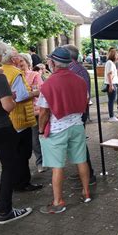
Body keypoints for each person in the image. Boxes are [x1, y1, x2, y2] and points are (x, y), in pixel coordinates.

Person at [37, 47, 91, 214]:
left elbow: (44, 112)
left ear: (53, 62)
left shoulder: (48, 84)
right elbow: (86, 100)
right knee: (81, 159)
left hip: (57, 128)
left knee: (57, 166)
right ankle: (86, 193)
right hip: (77, 125)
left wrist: (40, 130)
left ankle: (58, 201)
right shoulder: (80, 80)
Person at [0, 38, 33, 224]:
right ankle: (6, 211)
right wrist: (12, 99)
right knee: (10, 167)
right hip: (1, 128)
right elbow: (7, 106)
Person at [0, 47, 42, 192]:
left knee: (14, 153)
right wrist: (35, 92)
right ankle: (22, 183)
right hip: (20, 117)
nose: (19, 58)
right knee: (23, 153)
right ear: (13, 59)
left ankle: (15, 181)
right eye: (17, 56)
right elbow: (21, 96)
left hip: (9, 117)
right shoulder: (15, 73)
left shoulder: (1, 70)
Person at [63, 44, 97, 187]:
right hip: (76, 113)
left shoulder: (75, 71)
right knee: (77, 144)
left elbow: (81, 95)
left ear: (67, 56)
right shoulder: (75, 69)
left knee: (78, 143)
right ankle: (84, 172)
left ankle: (88, 175)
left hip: (77, 113)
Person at [18, 53, 46, 173]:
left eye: (21, 62)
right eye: (17, 63)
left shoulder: (34, 75)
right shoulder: (16, 76)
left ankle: (40, 162)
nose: (19, 65)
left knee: (35, 140)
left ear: (28, 63)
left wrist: (24, 94)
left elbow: (41, 91)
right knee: (24, 141)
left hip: (34, 111)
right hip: (20, 113)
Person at [104, 49, 118, 122]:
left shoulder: (110, 63)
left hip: (112, 83)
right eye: (116, 55)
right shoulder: (110, 63)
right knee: (111, 100)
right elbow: (109, 74)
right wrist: (111, 85)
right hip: (112, 84)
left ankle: (112, 115)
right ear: (113, 55)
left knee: (111, 100)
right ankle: (111, 116)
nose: (117, 56)